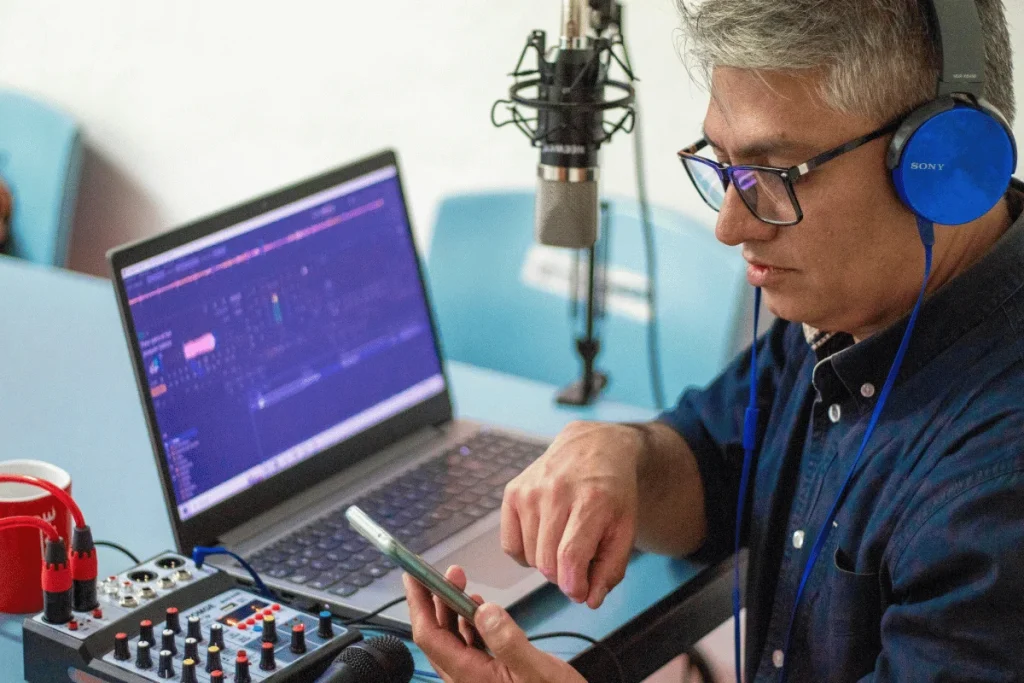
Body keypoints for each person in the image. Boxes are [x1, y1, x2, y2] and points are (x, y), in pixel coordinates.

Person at [404, 0, 1024, 681]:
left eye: (774, 174)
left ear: (944, 164)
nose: (731, 225)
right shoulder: (851, 306)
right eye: (723, 166)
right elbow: (716, 462)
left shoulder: (997, 482)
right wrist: (623, 457)